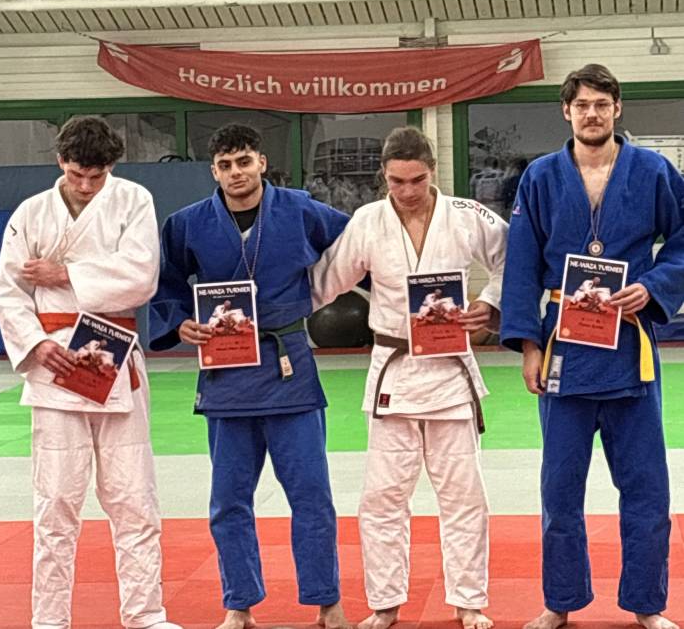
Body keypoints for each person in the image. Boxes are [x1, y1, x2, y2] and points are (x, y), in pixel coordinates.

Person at [500, 63, 684, 629]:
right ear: (566, 111)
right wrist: (528, 345)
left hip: (629, 349)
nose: (592, 113)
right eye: (582, 105)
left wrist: (654, 285)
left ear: (617, 108)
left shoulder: (653, 171)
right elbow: (521, 263)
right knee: (559, 492)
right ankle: (560, 601)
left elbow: (682, 241)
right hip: (566, 351)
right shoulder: (540, 177)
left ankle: (647, 605)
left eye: (602, 104)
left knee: (647, 491)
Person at [148, 123, 350, 629]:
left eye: (243, 161)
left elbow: (358, 246)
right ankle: (239, 604)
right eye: (225, 165)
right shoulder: (187, 223)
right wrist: (179, 322)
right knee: (228, 501)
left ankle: (327, 600)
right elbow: (166, 283)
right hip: (226, 372)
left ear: (261, 162)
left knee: (312, 496)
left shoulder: (302, 210)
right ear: (213, 171)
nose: (235, 173)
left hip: (288, 367)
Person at [309, 126, 508, 629]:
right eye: (397, 181)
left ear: (432, 171)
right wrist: (269, 316)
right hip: (394, 374)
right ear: (384, 175)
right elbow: (325, 281)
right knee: (382, 499)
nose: (407, 191)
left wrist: (489, 303)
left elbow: (514, 261)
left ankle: (468, 601)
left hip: (450, 374)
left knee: (465, 497)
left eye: (417, 180)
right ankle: (385, 603)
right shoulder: (367, 221)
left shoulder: (467, 215)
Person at [0, 116, 180, 629]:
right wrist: (35, 344)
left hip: (115, 360)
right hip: (54, 366)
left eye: (96, 176)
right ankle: (49, 618)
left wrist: (65, 274)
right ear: (61, 161)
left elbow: (141, 277)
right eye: (77, 174)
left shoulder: (133, 200)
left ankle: (145, 613)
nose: (86, 185)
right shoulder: (31, 213)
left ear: (111, 167)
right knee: (55, 501)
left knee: (134, 498)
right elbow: (8, 291)